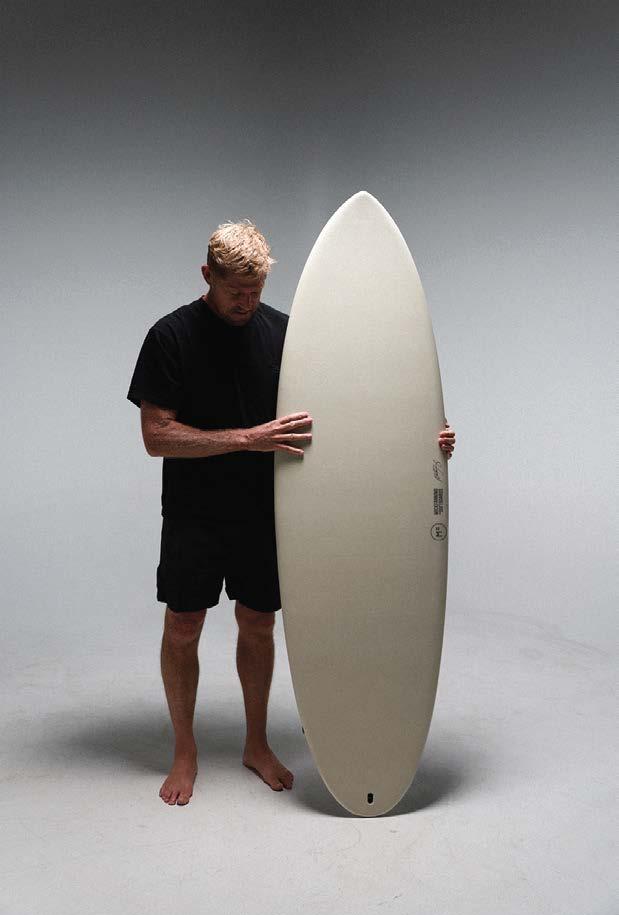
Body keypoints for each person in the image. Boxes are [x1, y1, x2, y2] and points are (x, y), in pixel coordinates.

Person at [127, 219, 456, 808]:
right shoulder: (170, 336)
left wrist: (424, 438)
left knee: (259, 624)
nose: (247, 303)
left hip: (268, 510)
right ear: (207, 276)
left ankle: (256, 743)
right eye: (236, 292)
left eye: (255, 292)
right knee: (183, 625)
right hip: (195, 512)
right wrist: (247, 439)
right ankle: (185, 750)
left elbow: (348, 408)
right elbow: (157, 436)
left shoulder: (285, 334)